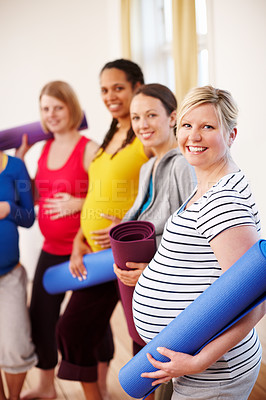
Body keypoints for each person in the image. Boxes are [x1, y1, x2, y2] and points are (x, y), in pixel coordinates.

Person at [132, 85, 265, 400]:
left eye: (208, 126)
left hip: (213, 372)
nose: (193, 135)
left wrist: (198, 361)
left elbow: (255, 300)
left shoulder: (222, 201)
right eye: (188, 125)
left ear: (231, 134)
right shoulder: (208, 181)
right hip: (193, 360)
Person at [55, 59, 149, 400]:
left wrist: (128, 227)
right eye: (105, 90)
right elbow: (95, 195)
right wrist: (79, 240)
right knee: (83, 328)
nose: (110, 96)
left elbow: (158, 191)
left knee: (137, 334)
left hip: (124, 253)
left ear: (138, 87)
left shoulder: (145, 135)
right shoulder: (112, 135)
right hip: (95, 254)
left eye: (118, 88)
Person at [111, 84, 195, 399]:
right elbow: (148, 214)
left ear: (172, 116)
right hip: (140, 283)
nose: (142, 124)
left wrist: (152, 269)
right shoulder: (149, 166)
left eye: (151, 115)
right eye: (135, 117)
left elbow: (190, 235)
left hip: (165, 283)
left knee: (164, 375)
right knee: (145, 363)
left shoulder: (184, 164)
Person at [19, 81, 99, 400]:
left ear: (72, 108)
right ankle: (45, 386)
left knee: (88, 321)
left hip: (85, 250)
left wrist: (78, 203)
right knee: (41, 315)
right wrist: (22, 161)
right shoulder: (44, 149)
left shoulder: (90, 149)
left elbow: (106, 198)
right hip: (50, 249)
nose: (51, 114)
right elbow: (36, 195)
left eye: (58, 107)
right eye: (45, 108)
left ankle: (98, 386)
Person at [0, 150, 37, 400]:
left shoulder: (15, 167)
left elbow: (28, 218)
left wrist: (9, 208)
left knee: (16, 346)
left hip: (9, 276)